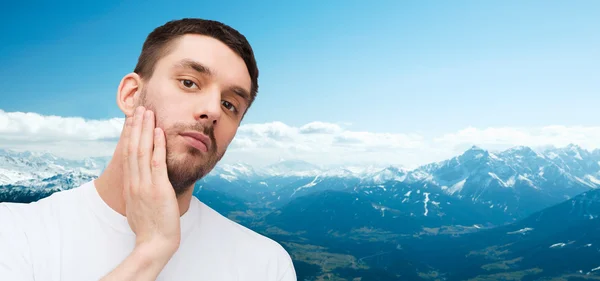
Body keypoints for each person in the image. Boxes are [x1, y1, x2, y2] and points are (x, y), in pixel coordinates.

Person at [0, 18, 297, 281]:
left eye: (230, 104)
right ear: (131, 94)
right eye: (189, 83)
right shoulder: (15, 233)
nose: (212, 110)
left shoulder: (266, 265)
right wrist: (152, 251)